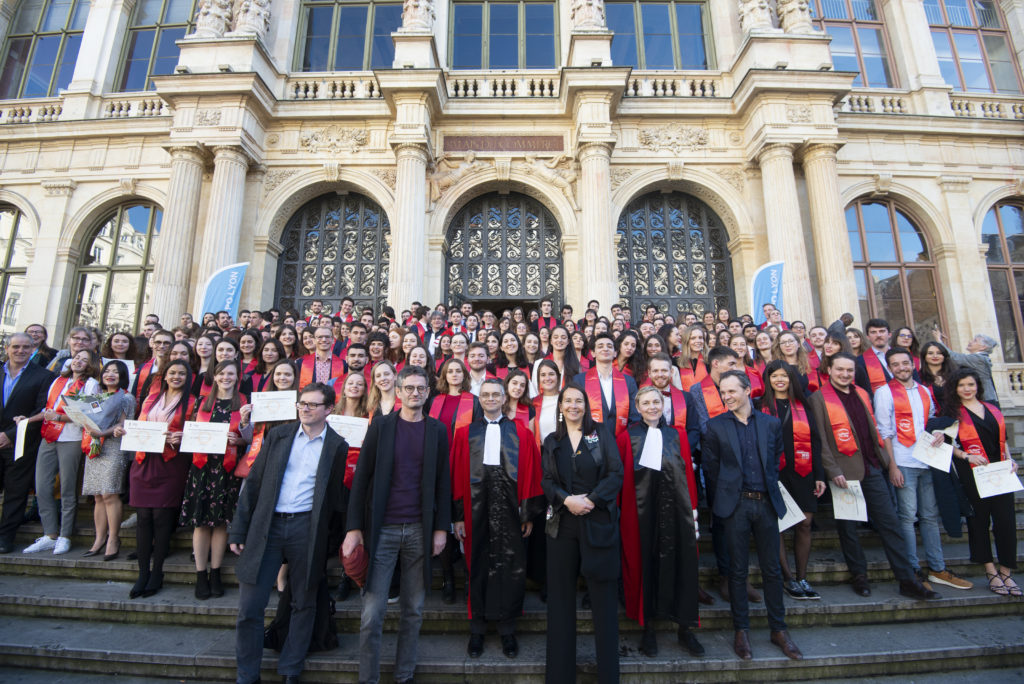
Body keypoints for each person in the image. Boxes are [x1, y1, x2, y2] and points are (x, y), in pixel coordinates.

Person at [230, 382, 350, 684]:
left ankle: (290, 670)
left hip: (306, 528)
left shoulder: (337, 445)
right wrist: (239, 529)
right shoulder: (278, 436)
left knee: (303, 603)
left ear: (329, 409)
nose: (304, 408)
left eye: (312, 404)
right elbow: (254, 484)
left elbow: (335, 498)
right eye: (302, 403)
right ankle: (247, 675)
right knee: (250, 607)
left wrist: (333, 540)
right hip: (267, 526)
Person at [343, 365, 451, 684]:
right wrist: (353, 528)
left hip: (420, 528)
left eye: (421, 388)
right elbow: (361, 477)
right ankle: (369, 678)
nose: (415, 393)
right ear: (399, 391)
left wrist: (441, 529)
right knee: (372, 614)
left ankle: (404, 675)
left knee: (413, 610)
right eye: (409, 388)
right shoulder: (381, 426)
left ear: (427, 393)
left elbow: (443, 482)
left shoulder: (437, 430)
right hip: (383, 529)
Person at [807, 353, 939, 600]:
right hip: (844, 473)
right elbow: (821, 440)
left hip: (872, 467)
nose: (845, 374)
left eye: (849, 370)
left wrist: (885, 462)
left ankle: (906, 580)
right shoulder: (818, 398)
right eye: (840, 370)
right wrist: (832, 470)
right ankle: (859, 576)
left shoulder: (862, 393)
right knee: (848, 528)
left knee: (890, 524)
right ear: (830, 370)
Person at [702, 370, 802, 661]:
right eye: (723, 392)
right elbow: (712, 468)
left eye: (732, 391)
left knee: (772, 570)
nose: (726, 397)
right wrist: (727, 499)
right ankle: (741, 630)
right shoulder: (715, 426)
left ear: (748, 390)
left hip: (766, 504)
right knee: (737, 570)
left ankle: (779, 629)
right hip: (735, 506)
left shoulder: (770, 424)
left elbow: (775, 460)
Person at [451, 378, 544, 658]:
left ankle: (507, 629)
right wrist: (458, 517)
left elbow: (531, 473)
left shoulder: (522, 433)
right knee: (476, 563)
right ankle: (477, 629)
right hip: (474, 509)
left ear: (504, 399)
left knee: (510, 565)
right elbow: (456, 477)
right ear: (480, 399)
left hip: (510, 511)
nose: (490, 398)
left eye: (496, 394)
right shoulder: (465, 434)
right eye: (485, 395)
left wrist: (527, 514)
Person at [541, 383, 622, 684]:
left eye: (579, 401)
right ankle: (560, 677)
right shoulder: (552, 440)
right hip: (562, 525)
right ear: (560, 407)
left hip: (597, 521)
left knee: (604, 602)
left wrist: (591, 499)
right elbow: (546, 480)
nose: (573, 405)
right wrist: (566, 499)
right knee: (561, 603)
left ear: (586, 406)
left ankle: (608, 676)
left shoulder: (600, 434)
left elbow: (616, 473)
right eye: (568, 401)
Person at [874, 348, 972, 591]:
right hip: (904, 461)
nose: (901, 367)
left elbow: (930, 422)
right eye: (895, 364)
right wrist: (892, 466)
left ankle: (938, 567)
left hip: (928, 460)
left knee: (929, 517)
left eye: (905, 363)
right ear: (890, 368)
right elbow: (884, 432)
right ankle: (912, 569)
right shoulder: (884, 393)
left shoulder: (925, 390)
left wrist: (939, 432)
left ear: (912, 364)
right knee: (907, 517)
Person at [617, 385, 703, 658]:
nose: (652, 407)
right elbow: (618, 479)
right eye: (646, 403)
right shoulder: (626, 437)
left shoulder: (677, 435)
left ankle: (685, 628)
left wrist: (692, 509)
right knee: (646, 565)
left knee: (682, 565)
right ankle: (648, 628)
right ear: (638, 407)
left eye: (657, 402)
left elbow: (688, 473)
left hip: (677, 511)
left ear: (664, 405)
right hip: (640, 514)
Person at [929, 368, 1020, 597]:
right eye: (962, 386)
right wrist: (966, 456)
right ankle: (990, 571)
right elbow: (946, 445)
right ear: (955, 389)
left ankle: (1006, 572)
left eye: (970, 385)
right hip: (972, 473)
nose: (967, 389)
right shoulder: (951, 414)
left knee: (1006, 522)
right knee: (979, 522)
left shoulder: (992, 408)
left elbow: (1003, 438)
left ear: (977, 385)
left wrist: (1011, 459)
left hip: (1000, 472)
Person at [22, 348, 101, 555]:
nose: (78, 361)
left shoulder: (91, 384)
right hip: (48, 437)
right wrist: (27, 419)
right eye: (76, 357)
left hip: (71, 438)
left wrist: (59, 418)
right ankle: (50, 533)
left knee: (67, 488)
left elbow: (90, 414)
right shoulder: (58, 381)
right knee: (42, 485)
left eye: (84, 360)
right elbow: (48, 409)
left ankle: (65, 535)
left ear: (91, 364)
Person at [180, 361, 247, 600]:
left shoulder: (244, 404)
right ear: (215, 377)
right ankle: (201, 573)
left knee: (220, 523)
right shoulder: (202, 402)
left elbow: (250, 437)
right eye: (222, 373)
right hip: (203, 468)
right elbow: (190, 432)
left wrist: (240, 441)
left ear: (237, 377)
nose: (226, 377)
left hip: (227, 470)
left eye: (231, 373)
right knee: (201, 522)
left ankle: (216, 571)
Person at [129, 360, 196, 598]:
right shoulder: (150, 399)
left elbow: (197, 433)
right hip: (144, 461)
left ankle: (157, 572)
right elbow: (138, 425)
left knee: (161, 517)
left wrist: (182, 437)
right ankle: (142, 574)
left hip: (171, 462)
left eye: (181, 373)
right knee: (143, 518)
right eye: (172, 373)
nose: (176, 377)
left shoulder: (193, 403)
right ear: (164, 376)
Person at [758, 360, 824, 599]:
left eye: (784, 375)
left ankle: (802, 576)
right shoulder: (760, 406)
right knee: (779, 526)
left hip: (803, 471)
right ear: (768, 379)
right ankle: (788, 578)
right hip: (775, 473)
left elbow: (816, 442)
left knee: (805, 523)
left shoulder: (803, 406)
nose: (779, 380)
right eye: (774, 376)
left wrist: (820, 474)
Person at [0, 334, 54, 553]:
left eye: (25, 347)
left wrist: (10, 435)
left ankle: (5, 539)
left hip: (21, 444)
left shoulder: (44, 376)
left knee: (15, 493)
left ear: (33, 349)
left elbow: (41, 410)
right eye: (15, 347)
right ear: (7, 348)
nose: (20, 351)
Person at [80, 360, 135, 560]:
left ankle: (113, 538)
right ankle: (99, 538)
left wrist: (102, 432)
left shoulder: (126, 398)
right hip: (95, 447)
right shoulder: (96, 397)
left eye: (115, 372)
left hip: (113, 447)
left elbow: (124, 423)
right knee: (97, 496)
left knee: (110, 494)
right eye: (107, 371)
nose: (110, 374)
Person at [573, 332, 639, 437]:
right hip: (590, 442)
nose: (605, 349)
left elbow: (635, 416)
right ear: (593, 353)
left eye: (609, 346)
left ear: (615, 353)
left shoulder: (628, 382)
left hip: (621, 442)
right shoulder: (579, 380)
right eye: (600, 346)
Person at [931, 329, 1000, 407]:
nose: (970, 342)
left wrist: (938, 340)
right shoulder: (978, 358)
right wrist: (943, 343)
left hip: (985, 400)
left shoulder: (979, 359)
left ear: (983, 347)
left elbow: (954, 357)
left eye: (975, 341)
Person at [856, 318, 893, 395]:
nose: (878, 335)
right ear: (868, 337)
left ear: (889, 334)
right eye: (873, 332)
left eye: (882, 331)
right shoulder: (860, 361)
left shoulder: (903, 356)